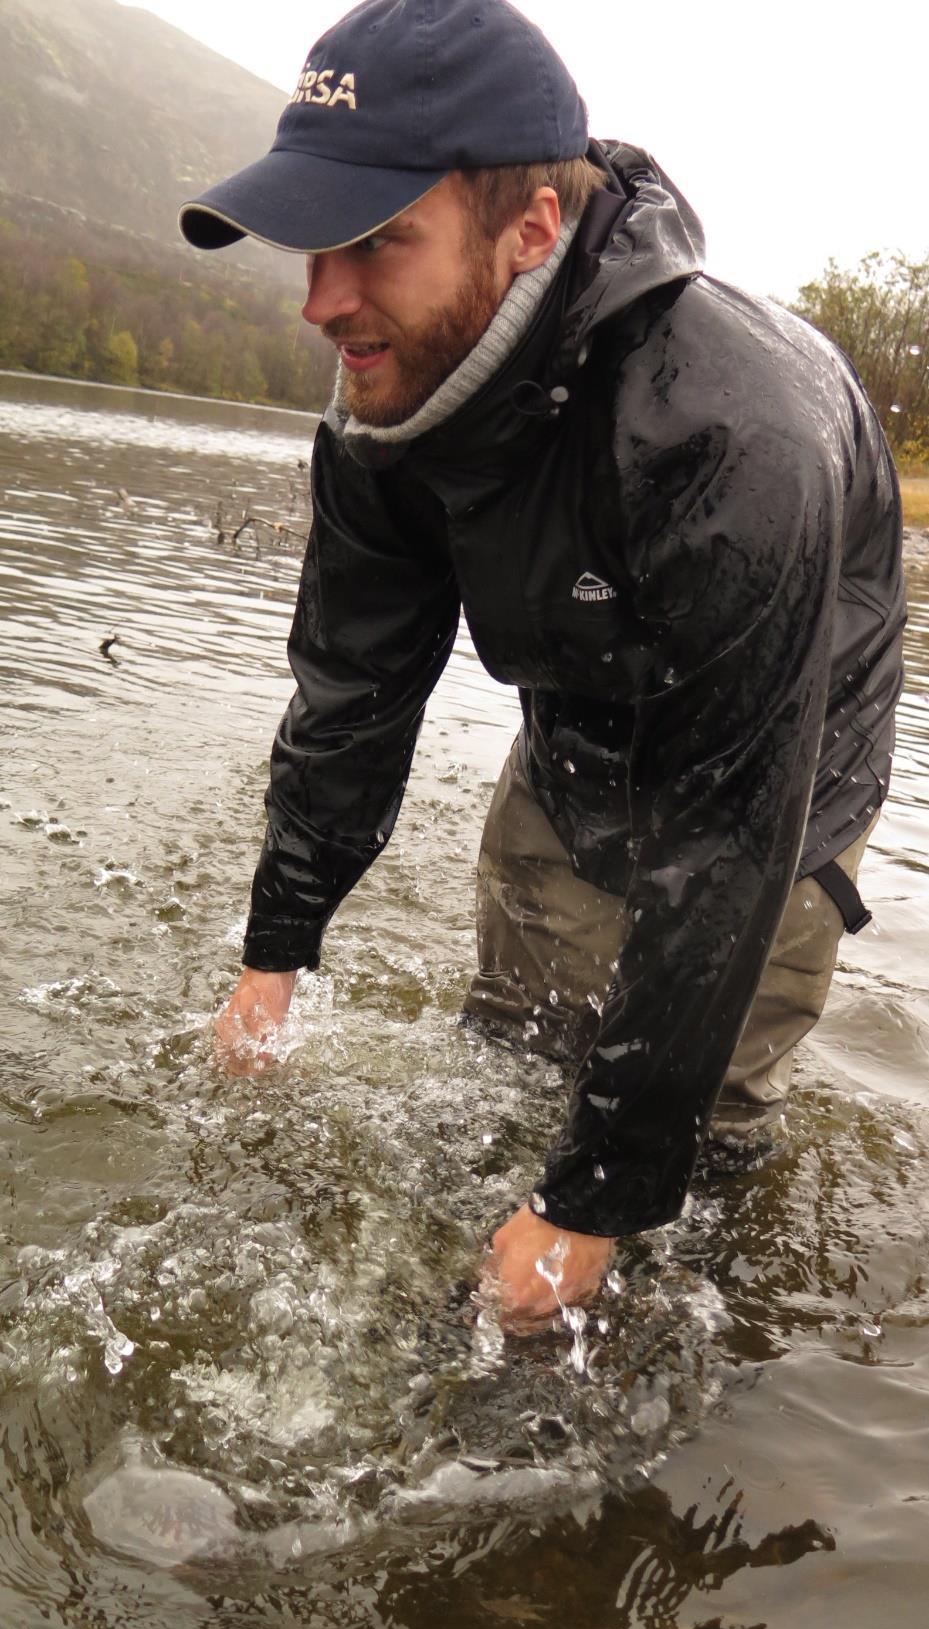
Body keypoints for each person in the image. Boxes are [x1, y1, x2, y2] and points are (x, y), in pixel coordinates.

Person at [179, 0, 906, 1325]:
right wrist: (271, 962)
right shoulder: (380, 416)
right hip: (573, 736)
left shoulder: (731, 434)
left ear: (531, 232)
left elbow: (725, 841)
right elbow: (352, 694)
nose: (320, 302)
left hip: (775, 779)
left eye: (374, 244)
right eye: (310, 248)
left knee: (696, 1144)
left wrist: (595, 1202)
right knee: (511, 1062)